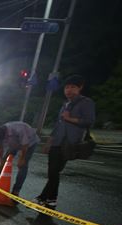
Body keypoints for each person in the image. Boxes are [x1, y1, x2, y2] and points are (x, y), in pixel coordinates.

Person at [36, 75, 95, 208]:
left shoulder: (86, 102)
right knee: (53, 171)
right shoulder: (65, 104)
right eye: (67, 87)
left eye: (73, 87)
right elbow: (58, 125)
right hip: (57, 142)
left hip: (70, 143)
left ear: (80, 88)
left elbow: (89, 121)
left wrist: (69, 119)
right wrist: (48, 142)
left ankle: (47, 198)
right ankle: (48, 198)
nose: (69, 90)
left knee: (54, 171)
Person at [0, 121, 40, 197]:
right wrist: (1, 160)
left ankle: (16, 190)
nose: (1, 142)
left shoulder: (19, 128)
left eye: (2, 140)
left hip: (29, 143)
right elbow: (0, 147)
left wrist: (22, 159)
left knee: (22, 166)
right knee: (2, 162)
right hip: (14, 143)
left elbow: (25, 145)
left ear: (6, 134)